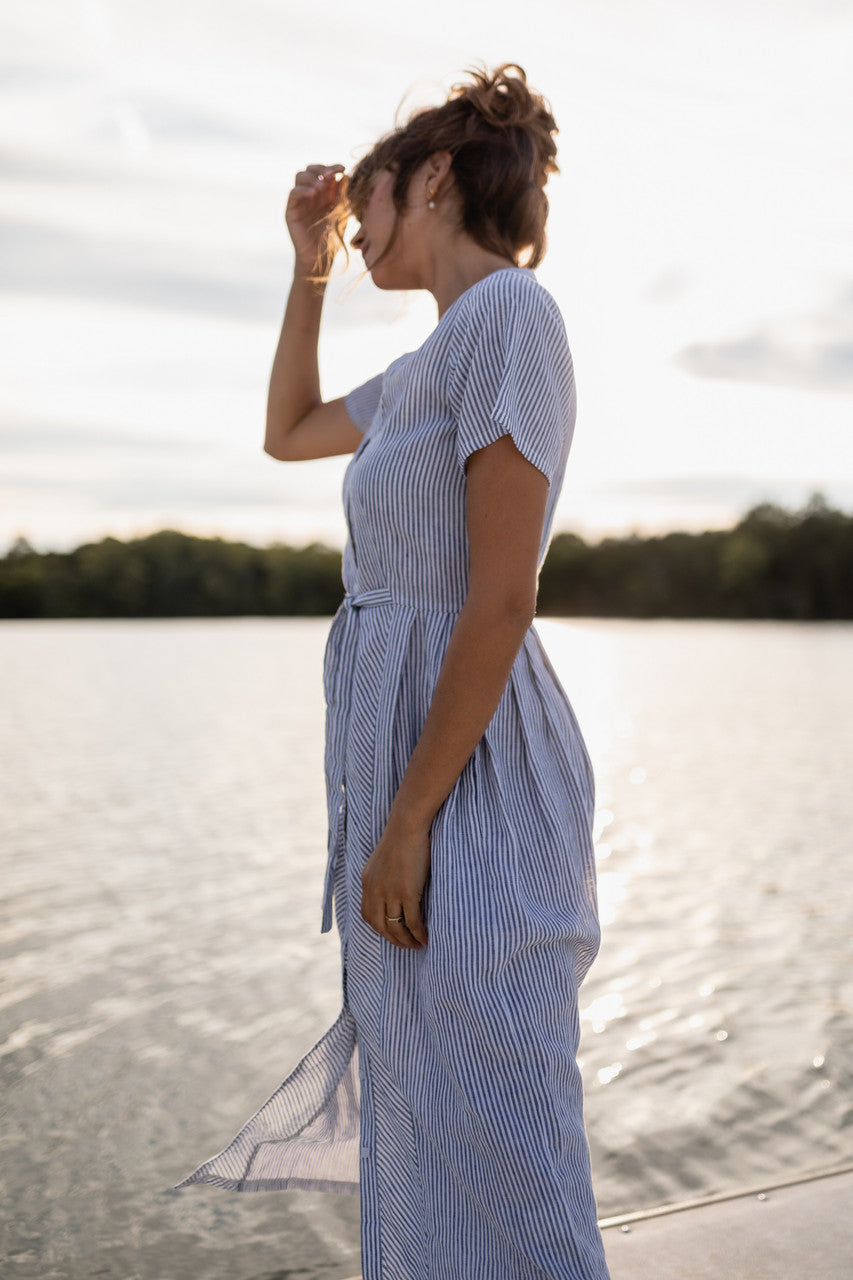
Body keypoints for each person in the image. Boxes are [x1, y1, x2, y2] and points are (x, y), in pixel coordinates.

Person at [177, 62, 611, 1280]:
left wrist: (410, 816)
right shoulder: (429, 363)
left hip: (462, 778)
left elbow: (502, 593)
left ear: (430, 178)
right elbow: (289, 430)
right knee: (423, 1123)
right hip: (406, 777)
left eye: (362, 204)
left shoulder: (514, 317)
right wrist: (308, 270)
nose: (354, 226)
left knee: (503, 1124)